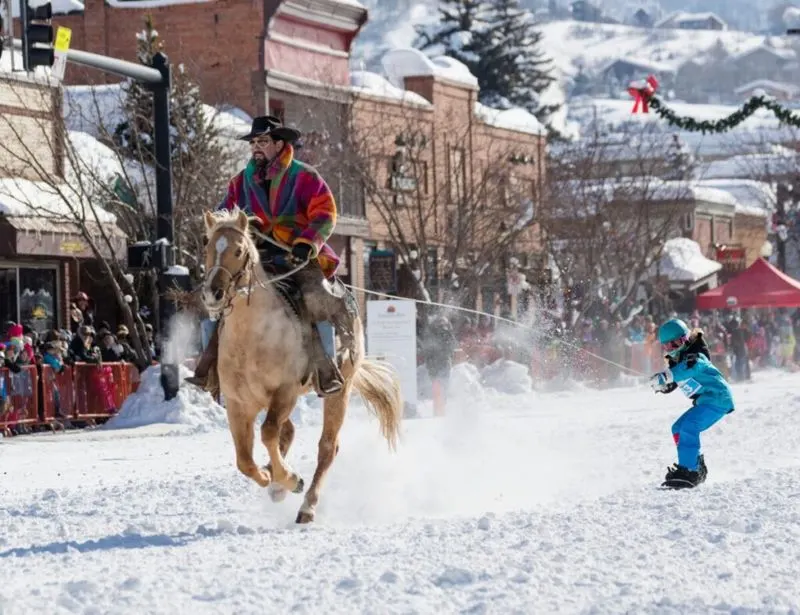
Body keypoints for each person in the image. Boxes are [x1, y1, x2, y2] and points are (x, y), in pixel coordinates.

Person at [186, 115, 351, 397]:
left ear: (279, 143)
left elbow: (326, 213)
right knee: (210, 301)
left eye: (262, 141)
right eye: (253, 143)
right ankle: (209, 371)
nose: (256, 148)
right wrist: (217, 233)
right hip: (253, 257)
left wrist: (306, 243)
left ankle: (327, 371)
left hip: (296, 255)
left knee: (316, 298)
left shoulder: (306, 176)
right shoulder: (239, 183)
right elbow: (224, 214)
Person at [650, 318, 735, 488]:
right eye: (666, 346)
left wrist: (666, 376)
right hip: (705, 401)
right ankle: (695, 465)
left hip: (718, 398)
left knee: (690, 426)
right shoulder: (678, 362)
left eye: (674, 344)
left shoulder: (696, 356)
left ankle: (689, 470)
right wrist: (662, 385)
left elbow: (688, 369)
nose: (670, 350)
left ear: (684, 339)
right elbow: (675, 381)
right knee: (678, 428)